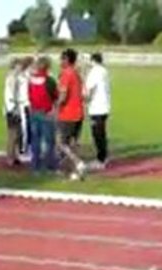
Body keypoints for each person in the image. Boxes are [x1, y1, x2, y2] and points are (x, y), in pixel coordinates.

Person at [55, 48, 87, 181]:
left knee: (61, 142)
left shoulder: (66, 74)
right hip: (78, 112)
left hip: (68, 113)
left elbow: (63, 95)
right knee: (73, 143)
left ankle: (78, 162)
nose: (60, 61)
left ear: (67, 60)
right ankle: (73, 171)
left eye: (62, 59)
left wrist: (55, 106)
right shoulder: (76, 73)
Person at [26, 56, 59, 174]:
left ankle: (35, 166)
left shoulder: (31, 80)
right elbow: (55, 96)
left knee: (36, 140)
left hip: (34, 111)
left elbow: (29, 96)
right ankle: (50, 166)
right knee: (49, 141)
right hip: (47, 112)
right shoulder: (49, 80)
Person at [84, 52, 111, 170]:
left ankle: (101, 159)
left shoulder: (94, 72)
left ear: (92, 60)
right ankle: (103, 156)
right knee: (102, 133)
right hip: (105, 106)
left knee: (97, 134)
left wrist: (85, 101)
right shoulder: (104, 71)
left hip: (96, 107)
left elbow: (90, 89)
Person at [3, 58, 23, 167]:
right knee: (13, 134)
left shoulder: (13, 77)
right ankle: (10, 157)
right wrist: (14, 107)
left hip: (13, 108)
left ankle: (14, 156)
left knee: (17, 134)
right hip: (12, 109)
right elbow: (12, 94)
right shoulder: (12, 77)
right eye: (19, 66)